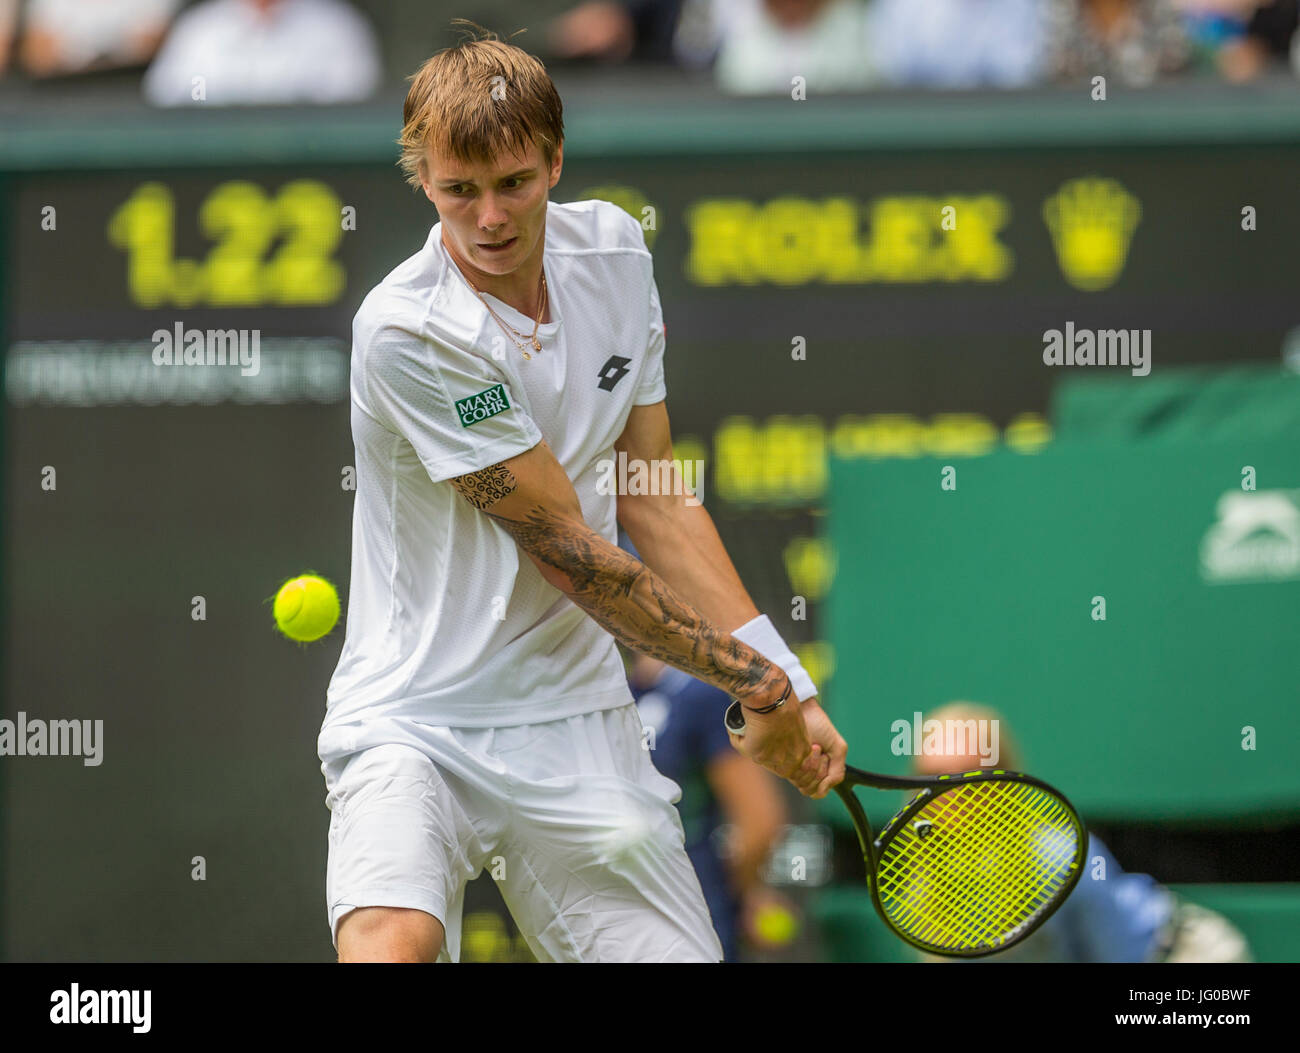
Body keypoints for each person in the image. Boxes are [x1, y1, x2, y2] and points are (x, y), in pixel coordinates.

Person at [318, 21, 848, 963]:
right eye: (458, 192)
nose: (489, 217)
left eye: (514, 182)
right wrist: (751, 681)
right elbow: (567, 548)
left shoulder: (615, 256)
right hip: (416, 719)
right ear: (424, 182)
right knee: (388, 942)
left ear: (555, 161)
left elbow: (652, 496)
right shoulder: (409, 331)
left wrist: (789, 685)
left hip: (577, 722)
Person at [911, 702, 1252, 963]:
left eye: (968, 778)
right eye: (934, 776)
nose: (948, 795)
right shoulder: (925, 884)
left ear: (1003, 783)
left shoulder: (1060, 859)